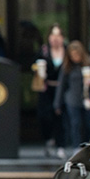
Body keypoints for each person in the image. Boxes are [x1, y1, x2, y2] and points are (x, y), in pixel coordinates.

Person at [55, 40, 90, 151]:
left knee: (88, 124)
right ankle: (76, 147)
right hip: (72, 99)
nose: (75, 57)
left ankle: (88, 147)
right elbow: (62, 86)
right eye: (72, 55)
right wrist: (57, 103)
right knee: (75, 124)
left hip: (89, 99)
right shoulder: (67, 66)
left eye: (77, 55)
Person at [35, 24, 66, 158]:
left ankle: (61, 145)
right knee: (45, 116)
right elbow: (35, 66)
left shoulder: (67, 52)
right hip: (47, 88)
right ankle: (48, 140)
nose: (55, 39)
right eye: (53, 35)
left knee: (61, 117)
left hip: (62, 89)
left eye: (58, 35)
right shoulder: (44, 51)